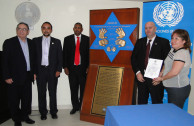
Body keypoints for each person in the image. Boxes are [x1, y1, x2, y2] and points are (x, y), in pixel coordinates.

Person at [2, 22, 35, 126]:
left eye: (24, 29)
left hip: (28, 75)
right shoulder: (9, 42)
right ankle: (16, 119)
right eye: (19, 29)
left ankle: (25, 116)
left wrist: (34, 73)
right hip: (14, 77)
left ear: (28, 31)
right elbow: (4, 61)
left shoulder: (31, 43)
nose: (22, 31)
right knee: (14, 100)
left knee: (26, 99)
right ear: (16, 30)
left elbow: (34, 60)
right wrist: (6, 76)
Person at [131, 22, 171, 104]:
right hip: (141, 78)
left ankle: (157, 117)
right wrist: (137, 72)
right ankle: (142, 117)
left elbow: (168, 61)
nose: (148, 30)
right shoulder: (139, 42)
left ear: (155, 29)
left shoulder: (164, 42)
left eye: (150, 27)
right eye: (146, 28)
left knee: (157, 103)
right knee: (141, 102)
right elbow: (133, 58)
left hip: (156, 79)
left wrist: (161, 75)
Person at [153, 29, 191, 109]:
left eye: (176, 38)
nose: (173, 41)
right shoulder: (173, 49)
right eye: (172, 38)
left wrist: (161, 79)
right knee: (172, 111)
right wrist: (161, 72)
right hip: (172, 87)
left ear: (184, 41)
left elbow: (174, 72)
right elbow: (166, 62)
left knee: (175, 114)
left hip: (178, 89)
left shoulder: (181, 53)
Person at [33, 22, 62, 120]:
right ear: (41, 29)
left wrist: (59, 70)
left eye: (48, 28)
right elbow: (33, 58)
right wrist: (34, 72)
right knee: (41, 92)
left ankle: (53, 111)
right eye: (44, 28)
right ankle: (43, 112)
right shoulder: (35, 41)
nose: (46, 30)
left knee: (52, 92)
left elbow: (60, 57)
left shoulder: (57, 41)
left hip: (53, 71)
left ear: (51, 30)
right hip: (40, 71)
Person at [63, 22, 89, 114]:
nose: (77, 29)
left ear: (82, 29)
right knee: (73, 89)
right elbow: (64, 54)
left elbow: (89, 55)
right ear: (73, 29)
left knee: (83, 89)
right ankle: (75, 107)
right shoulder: (67, 39)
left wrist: (88, 67)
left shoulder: (87, 39)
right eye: (76, 27)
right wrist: (65, 67)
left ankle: (82, 107)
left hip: (83, 69)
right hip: (72, 69)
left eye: (79, 28)